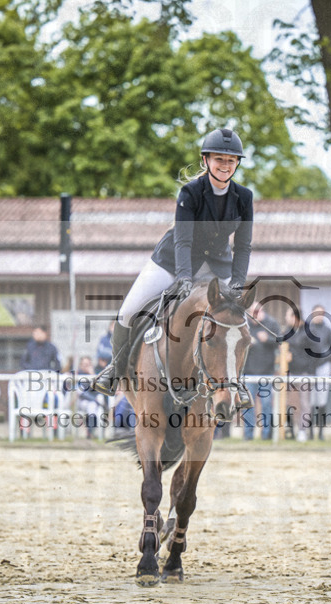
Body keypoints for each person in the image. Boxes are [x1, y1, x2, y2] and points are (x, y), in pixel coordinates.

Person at [94, 127, 254, 412]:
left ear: (237, 164)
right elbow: (183, 239)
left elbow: (243, 246)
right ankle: (115, 371)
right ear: (206, 160)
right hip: (172, 262)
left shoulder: (244, 197)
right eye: (219, 159)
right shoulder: (190, 192)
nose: (225, 166)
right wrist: (182, 277)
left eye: (231, 161)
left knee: (237, 321)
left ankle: (236, 386)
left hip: (217, 266)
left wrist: (239, 284)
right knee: (129, 311)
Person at [241, 301, 279, 441]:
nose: (254, 315)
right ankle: (248, 434)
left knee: (267, 404)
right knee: (247, 404)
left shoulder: (271, 324)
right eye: (251, 312)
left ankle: (266, 434)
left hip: (266, 372)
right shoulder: (245, 325)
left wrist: (267, 339)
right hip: (248, 372)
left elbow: (279, 341)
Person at [283, 307, 317, 442]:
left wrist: (295, 357)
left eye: (288, 315)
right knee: (289, 403)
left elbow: (314, 354)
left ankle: (303, 430)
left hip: (304, 373)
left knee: (304, 403)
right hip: (289, 373)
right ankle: (290, 429)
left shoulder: (308, 332)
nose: (286, 318)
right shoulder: (287, 331)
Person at [305, 304, 331, 441]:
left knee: (322, 400)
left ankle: (321, 431)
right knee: (311, 400)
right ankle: (310, 431)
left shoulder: (328, 330)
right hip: (310, 367)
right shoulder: (307, 329)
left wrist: (323, 357)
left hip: (323, 365)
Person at [73, 355, 106, 438]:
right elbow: (80, 392)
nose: (86, 367)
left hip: (94, 401)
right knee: (92, 405)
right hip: (82, 401)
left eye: (88, 365)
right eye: (84, 365)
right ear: (80, 365)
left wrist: (92, 375)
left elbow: (100, 389)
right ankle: (90, 432)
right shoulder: (78, 375)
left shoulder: (94, 375)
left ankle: (92, 431)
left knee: (94, 406)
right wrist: (94, 399)